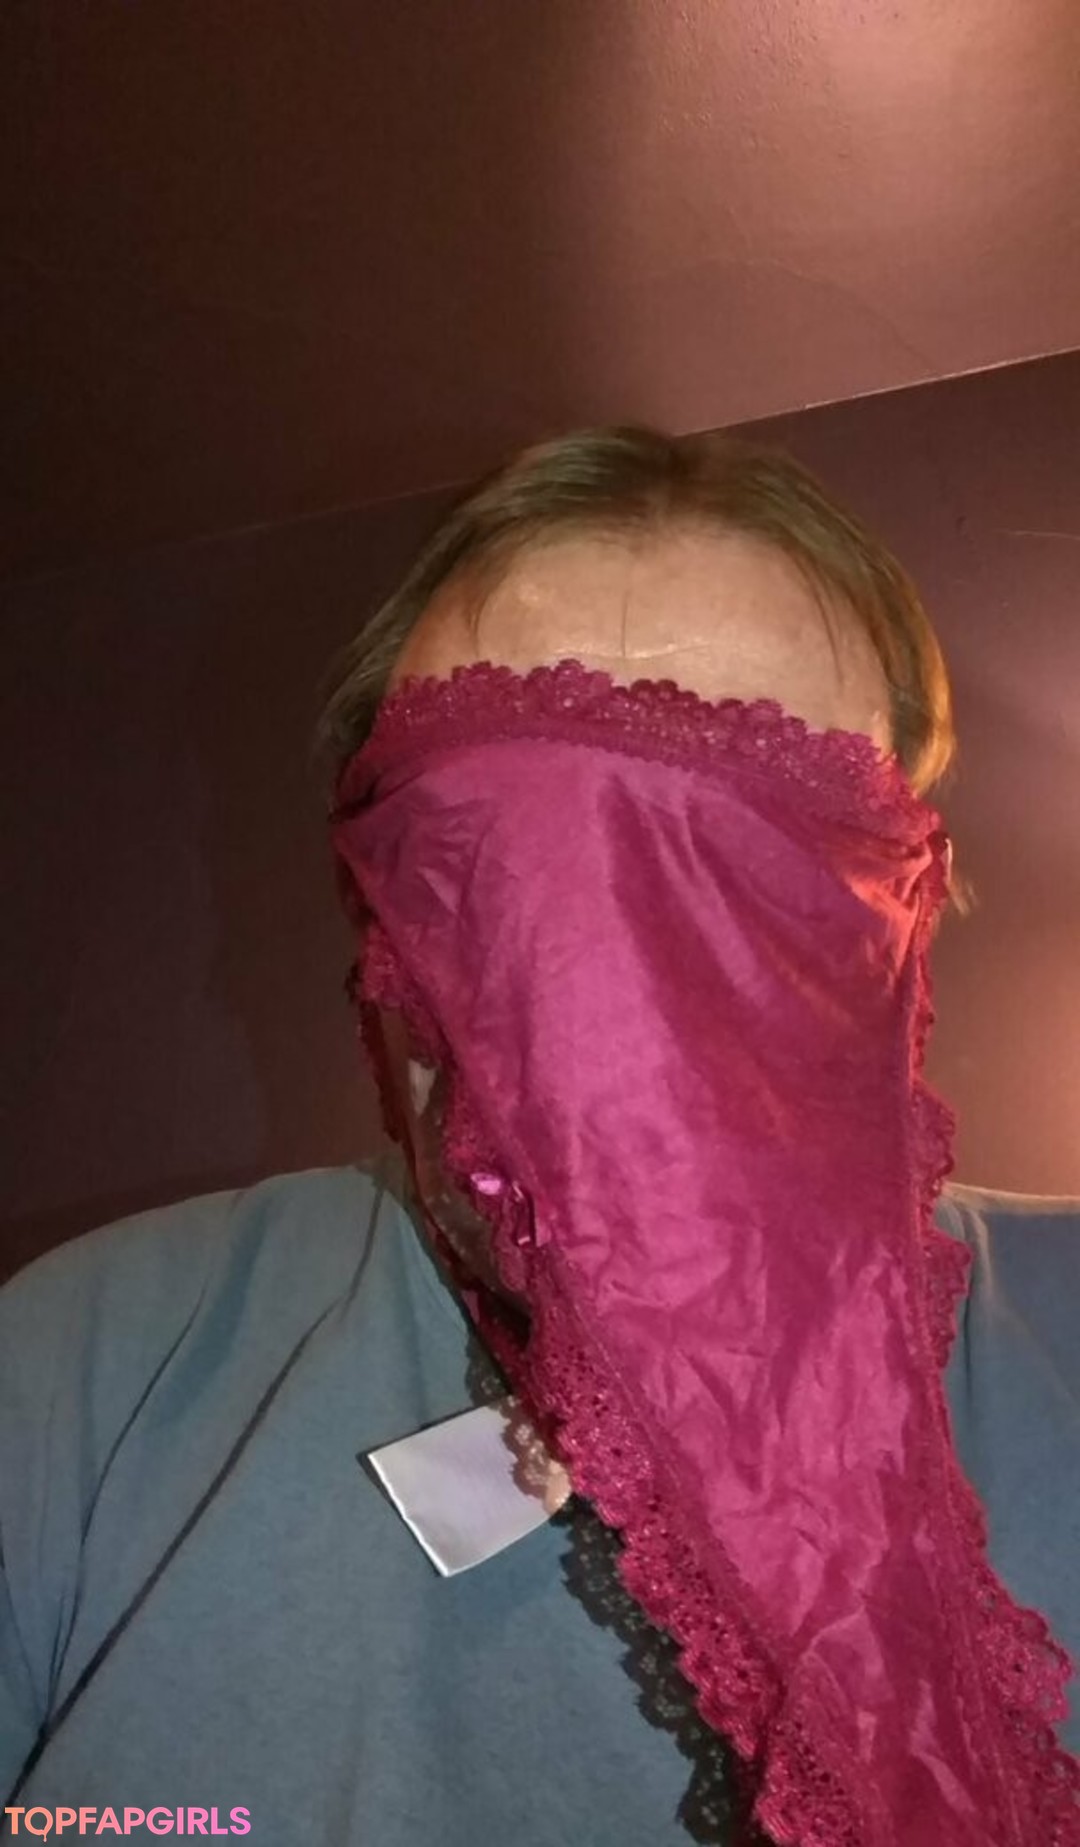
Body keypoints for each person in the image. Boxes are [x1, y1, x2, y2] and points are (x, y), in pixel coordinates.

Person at [2, 427, 1078, 1847]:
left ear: (902, 907)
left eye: (741, 866)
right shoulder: (85, 1372)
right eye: (504, 858)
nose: (613, 979)